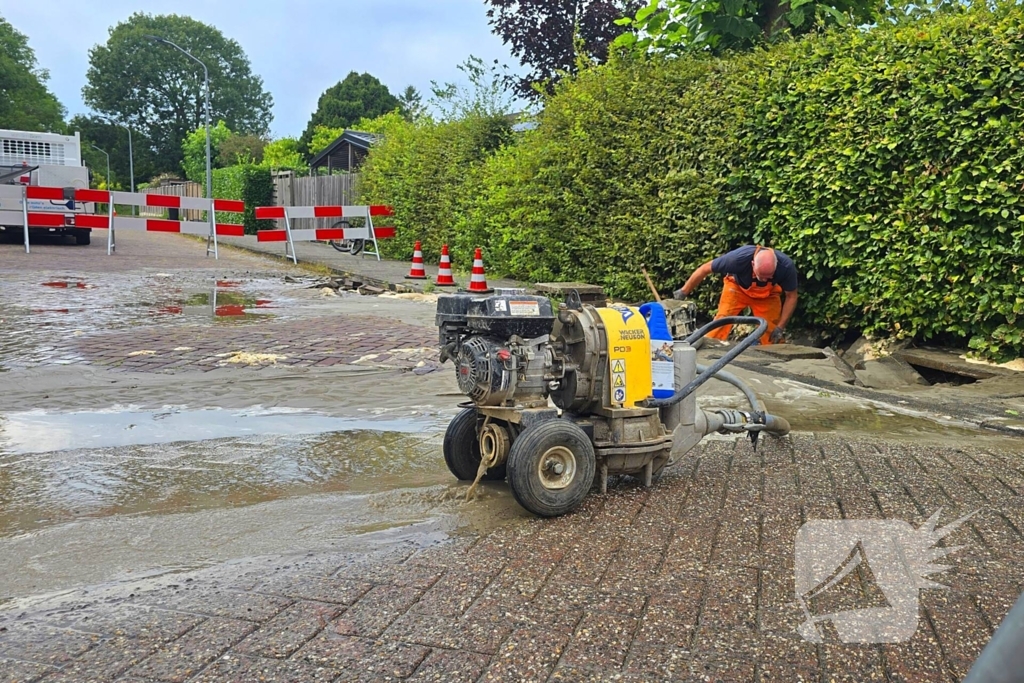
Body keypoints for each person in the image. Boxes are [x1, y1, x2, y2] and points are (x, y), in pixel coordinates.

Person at [674, 245, 798, 345]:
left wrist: (780, 327)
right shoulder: (738, 258)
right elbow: (705, 269)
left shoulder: (786, 266)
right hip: (736, 289)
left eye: (768, 277)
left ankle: (774, 357)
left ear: (776, 266)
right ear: (753, 264)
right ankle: (709, 347)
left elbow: (791, 296)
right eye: (761, 276)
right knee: (722, 320)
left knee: (771, 329)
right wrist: (684, 292)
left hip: (767, 295)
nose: (764, 281)